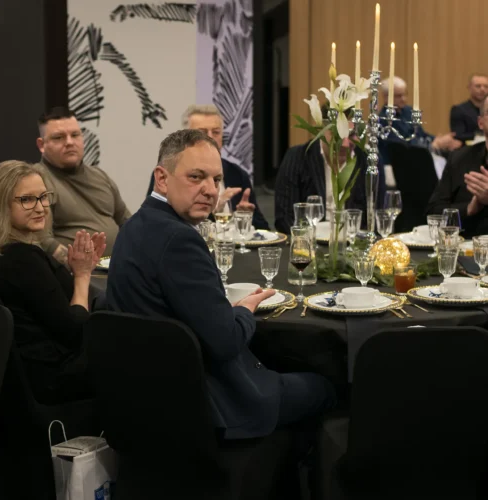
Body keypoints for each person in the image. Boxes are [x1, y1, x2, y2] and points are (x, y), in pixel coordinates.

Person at [109, 129, 336, 439]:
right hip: (209, 404)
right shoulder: (179, 240)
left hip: (146, 399)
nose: (209, 190)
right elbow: (226, 342)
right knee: (327, 383)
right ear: (161, 179)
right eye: (196, 177)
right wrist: (244, 310)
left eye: (215, 180)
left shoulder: (134, 226)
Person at [0, 161, 106, 402]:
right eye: (27, 199)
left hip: (33, 377)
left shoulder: (5, 252)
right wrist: (82, 275)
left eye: (43, 197)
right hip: (53, 379)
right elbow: (75, 331)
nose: (41, 207)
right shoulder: (22, 259)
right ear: (2, 204)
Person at [146, 105, 270, 229]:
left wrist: (245, 218)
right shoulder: (168, 171)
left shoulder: (237, 173)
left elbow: (264, 229)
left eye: (216, 132)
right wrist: (213, 212)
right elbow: (154, 221)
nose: (210, 138)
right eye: (202, 133)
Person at [37, 106, 130, 262]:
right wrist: (79, 265)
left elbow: (127, 222)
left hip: (116, 267)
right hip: (74, 272)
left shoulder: (100, 176)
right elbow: (42, 239)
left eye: (75, 135)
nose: (69, 142)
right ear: (42, 145)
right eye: (59, 137)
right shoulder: (37, 180)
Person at [274, 111, 386, 235]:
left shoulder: (369, 161)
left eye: (352, 135)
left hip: (354, 240)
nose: (345, 144)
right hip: (309, 241)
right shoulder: (298, 157)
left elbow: (378, 216)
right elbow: (284, 217)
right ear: (322, 130)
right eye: (337, 134)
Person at [427, 96, 488, 237]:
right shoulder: (459, 158)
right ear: (480, 122)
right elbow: (433, 213)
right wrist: (469, 208)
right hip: (463, 246)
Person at [379, 77, 461, 165]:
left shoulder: (408, 111)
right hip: (398, 164)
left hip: (419, 156)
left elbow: (420, 134)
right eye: (398, 96)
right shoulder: (384, 120)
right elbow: (402, 147)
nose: (403, 99)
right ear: (386, 97)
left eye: (405, 94)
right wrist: (434, 145)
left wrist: (439, 140)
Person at [450, 74, 488, 143]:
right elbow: (458, 135)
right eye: (478, 86)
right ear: (469, 88)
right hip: (469, 147)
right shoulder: (459, 110)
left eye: (486, 86)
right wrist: (480, 136)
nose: (482, 89)